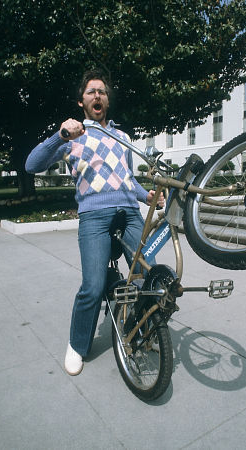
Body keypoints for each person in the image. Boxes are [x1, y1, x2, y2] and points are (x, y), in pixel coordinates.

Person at [25, 69, 164, 376]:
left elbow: (126, 179)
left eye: (102, 91)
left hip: (129, 212)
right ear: (81, 102)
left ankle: (140, 330)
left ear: (107, 100)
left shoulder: (123, 137)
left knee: (146, 274)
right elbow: (31, 165)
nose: (97, 95)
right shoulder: (72, 135)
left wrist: (146, 194)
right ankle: (77, 344)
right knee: (93, 285)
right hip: (94, 216)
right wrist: (60, 135)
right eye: (91, 92)